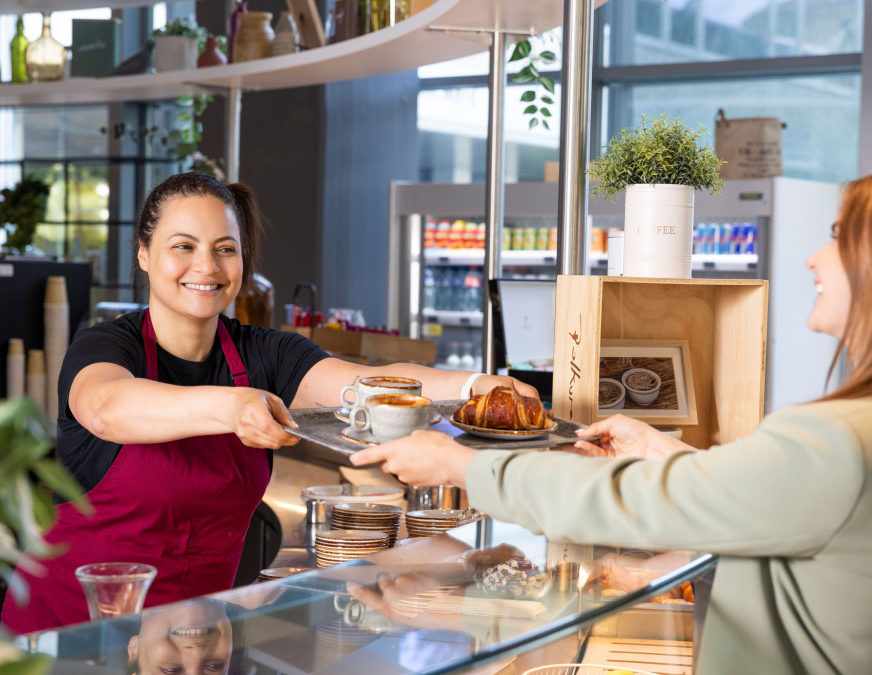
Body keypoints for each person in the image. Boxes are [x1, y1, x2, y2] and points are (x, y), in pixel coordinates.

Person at [351, 175, 872, 674]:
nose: (813, 258)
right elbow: (762, 507)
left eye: (835, 238)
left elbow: (629, 502)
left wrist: (462, 464)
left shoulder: (837, 438)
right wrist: (660, 454)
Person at [0, 171, 535, 635]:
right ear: (144, 254)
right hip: (70, 630)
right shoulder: (104, 346)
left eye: (224, 248)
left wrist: (473, 386)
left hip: (194, 639)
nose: (205, 266)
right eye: (182, 246)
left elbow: (365, 381)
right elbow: (108, 409)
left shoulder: (266, 354)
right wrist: (233, 408)